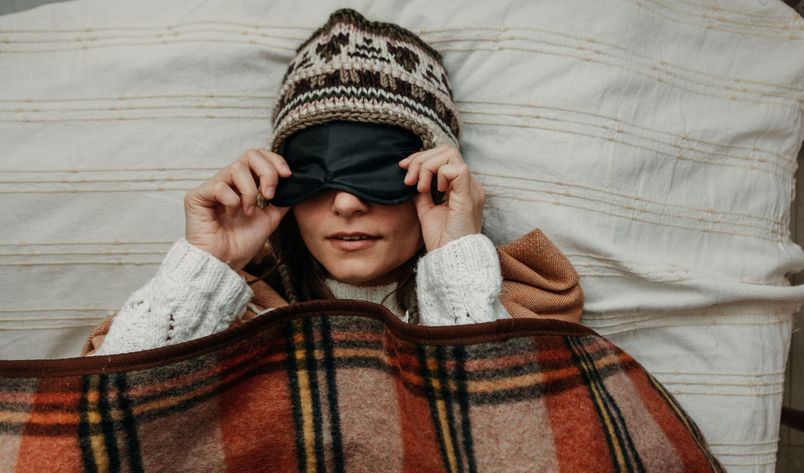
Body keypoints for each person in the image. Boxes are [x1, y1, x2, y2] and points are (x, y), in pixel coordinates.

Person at [82, 8, 523, 356]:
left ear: (438, 180)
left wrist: (458, 265)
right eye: (316, 174)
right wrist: (205, 265)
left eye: (380, 170)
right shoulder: (214, 309)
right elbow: (84, 434)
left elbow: (521, 439)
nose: (347, 203)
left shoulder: (523, 304)